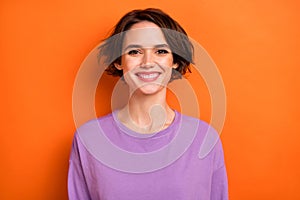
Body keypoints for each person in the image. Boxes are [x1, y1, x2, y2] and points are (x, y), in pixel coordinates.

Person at [68, 8, 228, 200]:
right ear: (119, 61)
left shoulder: (204, 139)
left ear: (174, 61)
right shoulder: (89, 139)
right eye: (134, 51)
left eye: (160, 51)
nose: (148, 62)